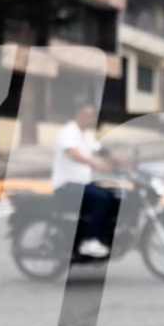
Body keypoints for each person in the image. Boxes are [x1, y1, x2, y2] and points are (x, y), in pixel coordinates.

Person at [52, 103, 123, 258]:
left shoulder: (86, 134)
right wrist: (96, 164)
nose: (92, 119)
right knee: (101, 199)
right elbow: (74, 154)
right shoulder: (69, 131)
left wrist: (122, 162)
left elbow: (101, 150)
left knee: (112, 195)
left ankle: (101, 235)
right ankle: (89, 241)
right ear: (78, 115)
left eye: (93, 116)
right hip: (66, 185)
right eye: (89, 116)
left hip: (81, 184)